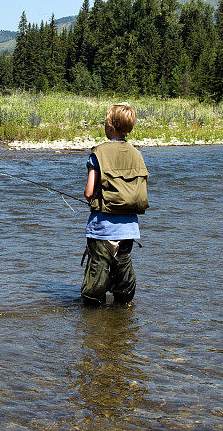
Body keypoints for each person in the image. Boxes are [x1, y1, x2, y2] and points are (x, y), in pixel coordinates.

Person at [81, 103, 149, 306]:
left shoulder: (98, 153)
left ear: (110, 126)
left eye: (105, 122)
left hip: (102, 228)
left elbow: (88, 192)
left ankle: (94, 317)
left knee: (97, 274)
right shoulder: (137, 154)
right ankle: (123, 314)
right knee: (122, 267)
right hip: (129, 229)